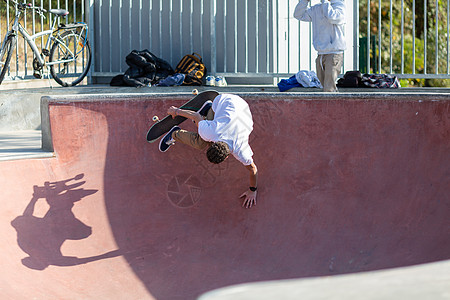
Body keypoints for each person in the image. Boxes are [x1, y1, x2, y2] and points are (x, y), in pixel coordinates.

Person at [159, 93, 258, 208]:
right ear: (226, 156)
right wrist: (176, 111)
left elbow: (253, 169)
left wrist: (253, 190)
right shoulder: (233, 145)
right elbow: (196, 116)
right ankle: (175, 134)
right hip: (224, 101)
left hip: (240, 104)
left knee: (204, 134)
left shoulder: (240, 148)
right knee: (201, 143)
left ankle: (208, 113)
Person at [294, 0, 346, 92]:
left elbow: (333, 17)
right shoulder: (317, 8)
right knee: (323, 86)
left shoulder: (339, 5)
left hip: (334, 53)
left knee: (329, 88)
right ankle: (331, 104)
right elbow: (298, 15)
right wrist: (305, 1)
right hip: (321, 53)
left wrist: (325, 2)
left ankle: (331, 105)